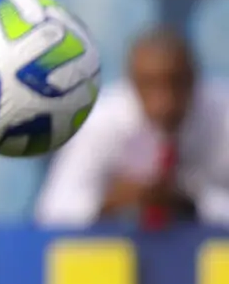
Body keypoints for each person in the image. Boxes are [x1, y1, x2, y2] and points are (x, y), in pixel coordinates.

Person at [36, 28, 229, 228]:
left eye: (177, 82)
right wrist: (113, 201)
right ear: (131, 83)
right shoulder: (102, 122)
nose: (165, 102)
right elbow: (53, 211)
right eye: (149, 84)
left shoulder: (224, 116)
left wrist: (191, 201)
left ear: (195, 79)